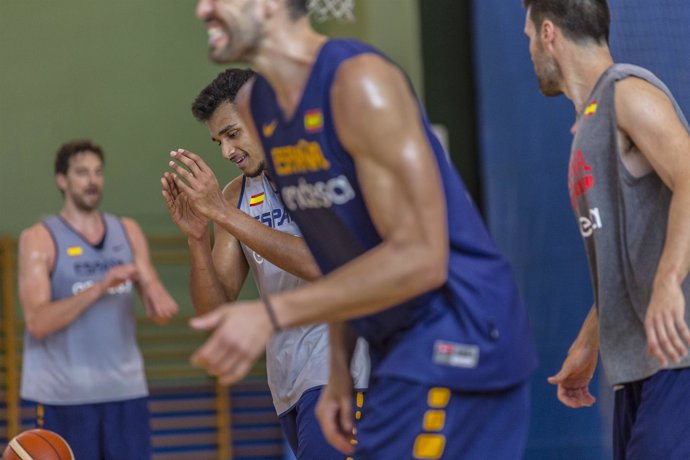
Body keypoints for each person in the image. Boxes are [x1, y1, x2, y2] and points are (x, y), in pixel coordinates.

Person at [184, 1, 538, 458]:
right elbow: (340, 259)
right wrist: (337, 370)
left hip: (458, 334)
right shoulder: (265, 108)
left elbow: (421, 258)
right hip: (394, 347)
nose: (203, 9)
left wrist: (272, 314)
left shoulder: (359, 83)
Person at [161, 67, 368, 459]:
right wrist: (197, 238)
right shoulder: (237, 195)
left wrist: (226, 216)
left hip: (345, 370)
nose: (226, 152)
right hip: (288, 383)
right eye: (218, 140)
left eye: (233, 134)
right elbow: (213, 310)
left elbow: (326, 263)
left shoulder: (320, 166)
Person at [522, 0, 690, 458]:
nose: (530, 47)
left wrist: (668, 281)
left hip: (678, 357)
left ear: (549, 34)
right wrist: (589, 338)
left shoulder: (627, 93)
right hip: (638, 367)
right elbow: (629, 249)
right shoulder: (590, 120)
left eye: (529, 36)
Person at [17, 139, 179, 460]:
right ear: (62, 180)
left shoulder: (127, 231)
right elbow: (37, 323)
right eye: (82, 173)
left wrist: (157, 296)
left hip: (125, 390)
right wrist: (100, 285)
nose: (92, 180)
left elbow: (160, 310)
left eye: (98, 172)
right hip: (64, 396)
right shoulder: (38, 239)